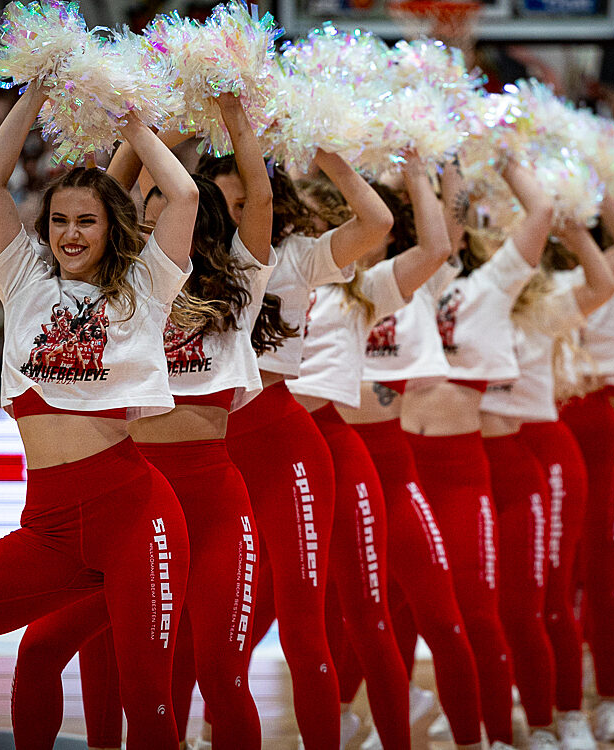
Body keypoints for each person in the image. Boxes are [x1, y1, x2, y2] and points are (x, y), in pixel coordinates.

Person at [0, 85, 198, 750]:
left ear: (110, 227)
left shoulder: (144, 287)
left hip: (134, 517)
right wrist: (34, 89)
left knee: (148, 703)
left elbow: (185, 198)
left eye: (86, 221)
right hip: (52, 528)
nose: (70, 233)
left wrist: (133, 124)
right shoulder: (23, 280)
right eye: (60, 220)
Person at [9, 93, 280, 750]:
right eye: (145, 207)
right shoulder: (122, 288)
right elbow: (112, 188)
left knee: (221, 674)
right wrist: (140, 119)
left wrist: (234, 117)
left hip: (211, 499)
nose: (153, 215)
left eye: (168, 206)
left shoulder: (238, 285)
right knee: (87, 662)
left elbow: (262, 202)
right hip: (130, 499)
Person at [219, 149, 393, 749]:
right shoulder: (181, 264)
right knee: (214, 623)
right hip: (210, 452)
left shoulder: (293, 256)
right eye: (222, 205)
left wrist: (332, 156)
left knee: (303, 622)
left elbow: (376, 226)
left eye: (244, 203)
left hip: (284, 441)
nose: (236, 216)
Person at [286, 152, 455, 750]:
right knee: (281, 618)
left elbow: (432, 247)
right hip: (273, 453)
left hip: (343, 444)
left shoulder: (362, 291)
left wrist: (406, 171)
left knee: (369, 611)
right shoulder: (268, 278)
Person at [398, 159, 553, 750]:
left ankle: (509, 735)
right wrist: (431, 170)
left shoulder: (495, 285)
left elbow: (540, 212)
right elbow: (445, 230)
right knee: (407, 614)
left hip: (463, 468)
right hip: (402, 463)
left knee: (481, 616)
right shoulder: (412, 281)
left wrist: (504, 156)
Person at [338, 171, 485, 750]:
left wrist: (427, 165)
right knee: (349, 617)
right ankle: (349, 718)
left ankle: (469, 737)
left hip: (397, 463)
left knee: (440, 615)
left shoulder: (410, 281)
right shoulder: (315, 281)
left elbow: (445, 234)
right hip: (338, 463)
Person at [478, 218, 614, 750]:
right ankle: (485, 712)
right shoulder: (465, 301)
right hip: (469, 454)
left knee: (546, 598)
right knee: (483, 605)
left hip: (535, 451)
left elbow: (603, 285)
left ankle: (566, 714)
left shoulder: (542, 308)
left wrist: (577, 231)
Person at [553, 196, 614, 742]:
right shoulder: (520, 274)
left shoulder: (599, 271)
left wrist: (598, 181)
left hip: (598, 424)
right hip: (543, 424)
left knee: (609, 577)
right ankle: (555, 702)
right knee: (553, 582)